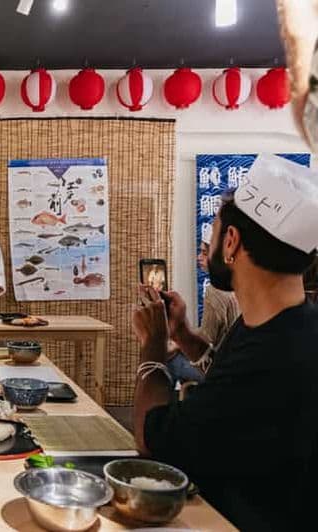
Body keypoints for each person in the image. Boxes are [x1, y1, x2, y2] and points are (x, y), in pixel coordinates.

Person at [131, 154, 318, 530]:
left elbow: (151, 441)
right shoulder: (291, 326)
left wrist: (153, 345)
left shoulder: (276, 352)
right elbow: (229, 382)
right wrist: (183, 336)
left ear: (231, 241)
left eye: (215, 233)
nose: (211, 244)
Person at [165, 227, 240, 384]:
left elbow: (207, 339)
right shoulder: (239, 284)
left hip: (220, 370)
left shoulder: (215, 291)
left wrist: (177, 344)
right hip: (236, 365)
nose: (199, 257)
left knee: (167, 361)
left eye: (205, 253)